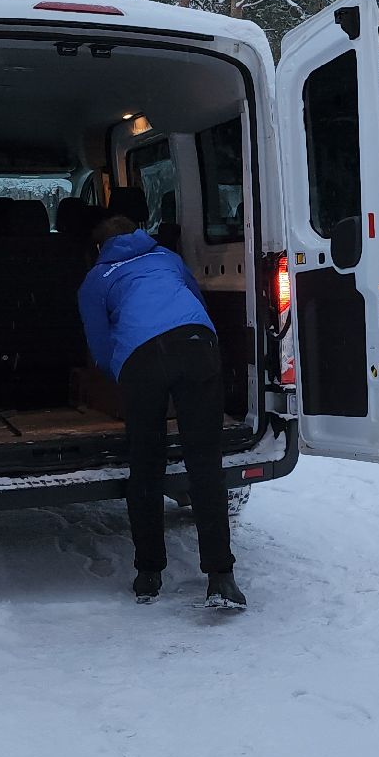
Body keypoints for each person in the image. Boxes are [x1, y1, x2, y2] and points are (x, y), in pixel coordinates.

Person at [78, 210, 247, 610]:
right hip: (198, 345)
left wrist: (125, 376)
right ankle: (221, 578)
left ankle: (148, 574)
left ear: (100, 247)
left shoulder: (96, 278)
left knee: (146, 463)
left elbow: (99, 347)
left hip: (142, 359)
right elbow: (196, 301)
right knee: (204, 462)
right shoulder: (167, 258)